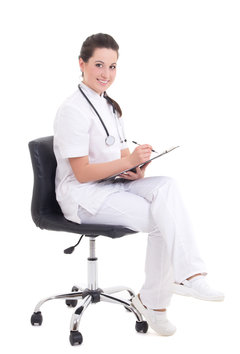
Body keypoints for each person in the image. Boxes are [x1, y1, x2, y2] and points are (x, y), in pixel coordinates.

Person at [53, 33, 224, 336]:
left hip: (108, 184)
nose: (106, 74)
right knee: (163, 218)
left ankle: (185, 278)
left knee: (166, 186)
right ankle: (159, 300)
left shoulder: (109, 106)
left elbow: (118, 155)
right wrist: (124, 161)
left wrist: (135, 167)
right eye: (99, 65)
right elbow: (80, 173)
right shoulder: (72, 110)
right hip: (82, 197)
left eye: (113, 66)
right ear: (82, 64)